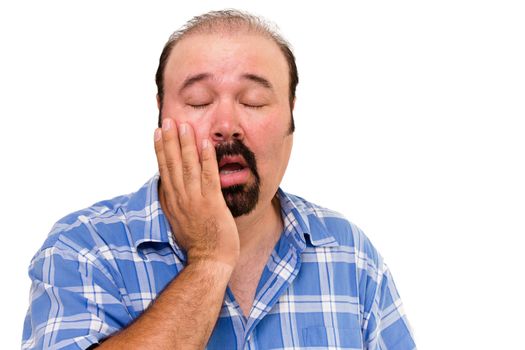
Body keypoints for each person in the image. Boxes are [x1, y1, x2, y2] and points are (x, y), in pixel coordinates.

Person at [22, 10, 416, 350]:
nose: (227, 126)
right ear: (161, 115)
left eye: (253, 101)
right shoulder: (82, 249)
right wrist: (210, 259)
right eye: (198, 101)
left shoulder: (350, 254)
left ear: (291, 116)